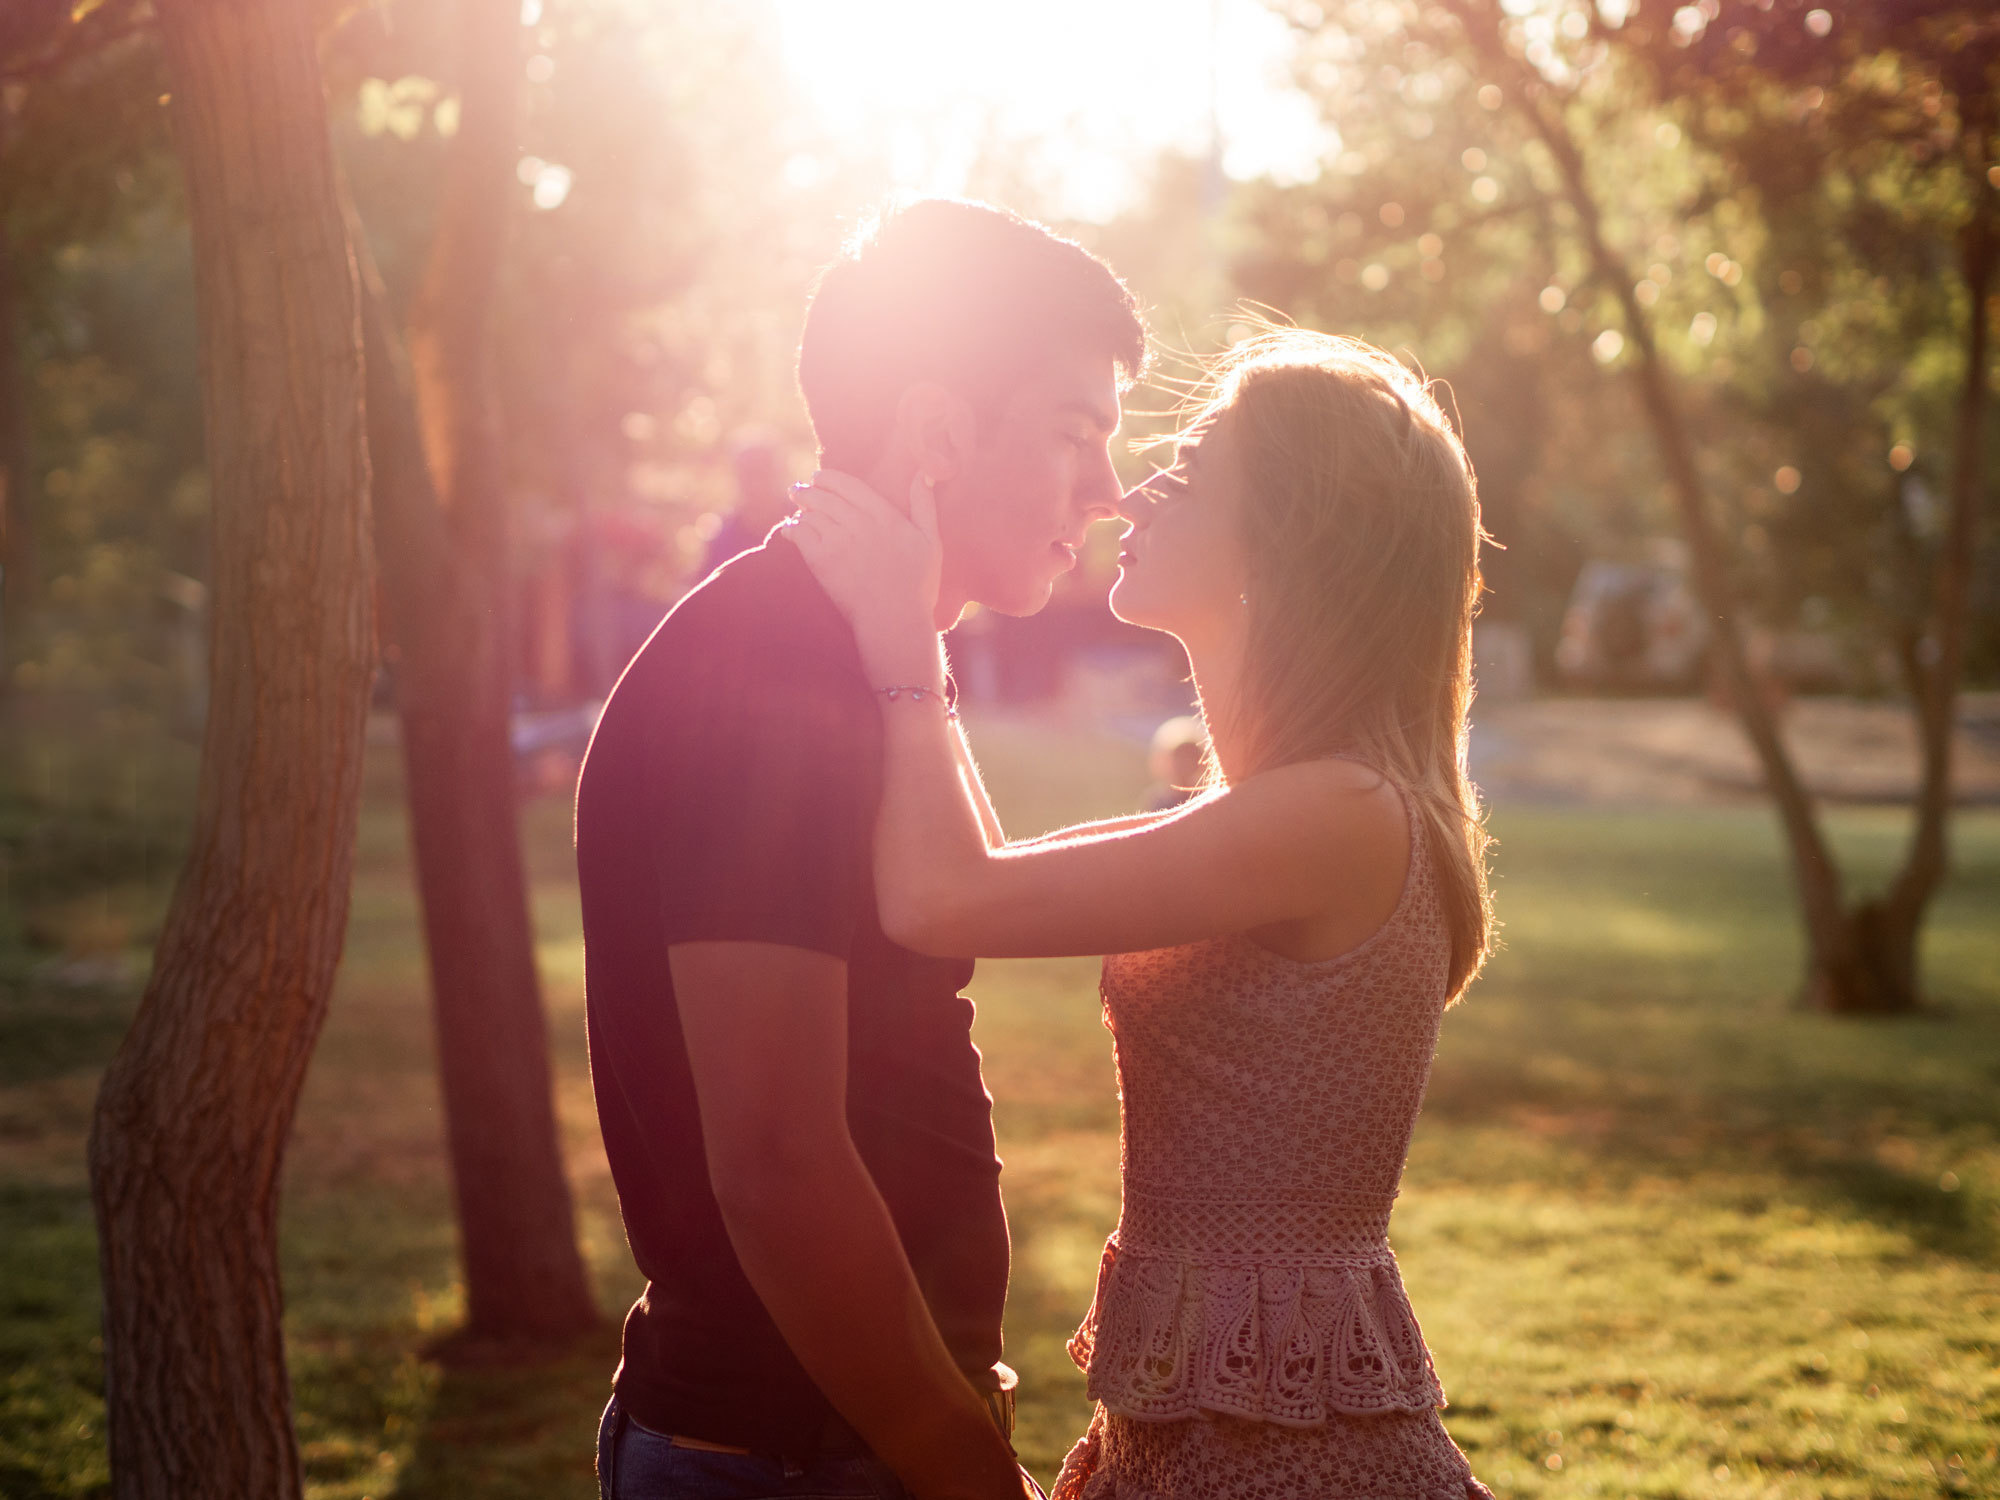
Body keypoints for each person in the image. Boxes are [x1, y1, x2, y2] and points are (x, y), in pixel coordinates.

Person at [788, 326, 1497, 1500]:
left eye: (1192, 463)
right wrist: (914, 640)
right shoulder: (1281, 811)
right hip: (1204, 1435)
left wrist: (902, 635)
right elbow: (973, 868)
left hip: (1287, 1463)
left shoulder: (1334, 814)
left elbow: (935, 895)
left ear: (1289, 537)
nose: (1128, 492)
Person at [574, 198, 1146, 1500]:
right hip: (796, 1455)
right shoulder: (767, 674)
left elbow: (965, 900)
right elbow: (777, 1161)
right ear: (941, 433)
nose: (1106, 494)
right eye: (1076, 437)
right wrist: (956, 1460)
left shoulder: (860, 651)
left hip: (853, 1438)